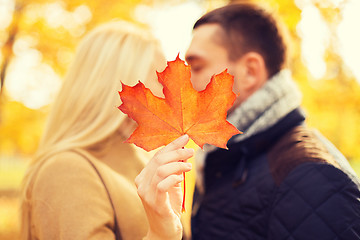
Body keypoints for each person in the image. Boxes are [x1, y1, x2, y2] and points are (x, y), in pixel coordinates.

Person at [135, 2, 360, 240]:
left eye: (197, 66)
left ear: (250, 71)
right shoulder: (224, 161)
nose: (185, 83)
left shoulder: (314, 178)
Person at [19, 21, 194, 240]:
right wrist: (160, 235)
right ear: (117, 87)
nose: (168, 93)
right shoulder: (66, 171)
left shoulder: (144, 164)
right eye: (159, 78)